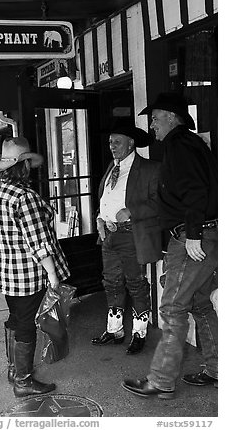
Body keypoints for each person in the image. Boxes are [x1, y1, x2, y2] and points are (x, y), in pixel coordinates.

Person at [122, 92, 218, 399]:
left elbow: (196, 191)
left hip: (195, 237)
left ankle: (161, 380)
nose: (152, 125)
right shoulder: (189, 144)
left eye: (154, 118)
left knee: (173, 307)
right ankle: (218, 370)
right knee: (200, 304)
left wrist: (192, 235)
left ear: (172, 118)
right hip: (204, 233)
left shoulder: (179, 145)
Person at [0, 137, 70, 398]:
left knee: (15, 318)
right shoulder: (24, 197)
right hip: (27, 275)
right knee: (26, 325)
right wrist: (53, 276)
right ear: (23, 166)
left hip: (5, 272)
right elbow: (39, 243)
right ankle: (23, 380)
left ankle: (13, 369)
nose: (30, 167)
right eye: (28, 162)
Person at [92, 118, 162, 354]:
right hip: (108, 236)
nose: (112, 146)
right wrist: (99, 218)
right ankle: (115, 330)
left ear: (131, 143)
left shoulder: (151, 169)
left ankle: (139, 333)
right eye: (110, 142)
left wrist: (132, 211)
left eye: (117, 142)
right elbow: (106, 199)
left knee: (135, 284)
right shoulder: (112, 168)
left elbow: (159, 203)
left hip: (132, 235)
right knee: (111, 282)